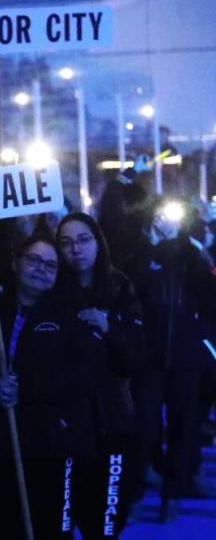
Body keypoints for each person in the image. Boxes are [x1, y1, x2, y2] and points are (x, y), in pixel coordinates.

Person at [0, 231, 101, 540]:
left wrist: (26, 390)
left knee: (49, 528)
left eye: (51, 264)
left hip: (51, 446)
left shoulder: (70, 313)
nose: (42, 268)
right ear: (16, 263)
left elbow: (86, 376)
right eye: (34, 260)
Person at [56, 212, 145, 538]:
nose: (75, 249)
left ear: (97, 241)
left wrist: (108, 328)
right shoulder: (52, 290)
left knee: (105, 523)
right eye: (65, 243)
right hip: (62, 426)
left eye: (82, 240)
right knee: (60, 521)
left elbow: (136, 357)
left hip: (111, 424)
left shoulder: (119, 287)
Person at [126, 199, 216, 521]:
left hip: (186, 359)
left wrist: (204, 345)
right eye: (162, 215)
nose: (168, 221)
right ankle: (135, 489)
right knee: (144, 427)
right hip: (149, 358)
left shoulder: (191, 254)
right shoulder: (144, 253)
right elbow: (132, 287)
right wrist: (152, 244)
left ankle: (172, 493)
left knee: (183, 427)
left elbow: (209, 292)